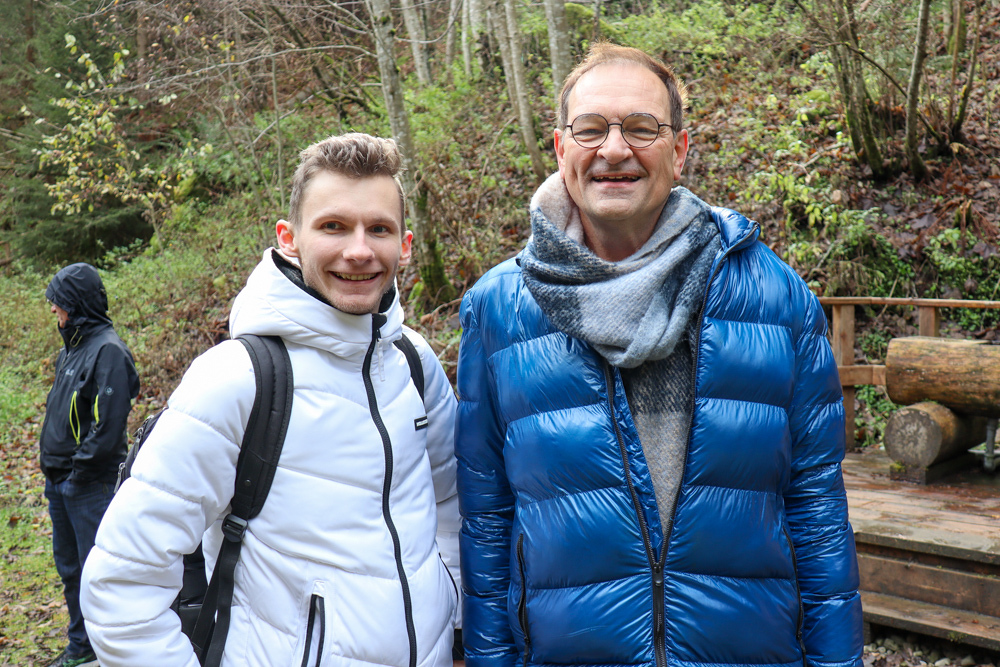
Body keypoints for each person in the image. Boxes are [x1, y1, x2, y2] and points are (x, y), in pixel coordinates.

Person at [455, 43, 863, 667]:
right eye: (591, 129)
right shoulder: (499, 310)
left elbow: (816, 508)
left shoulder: (775, 299)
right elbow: (488, 519)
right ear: (561, 149)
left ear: (679, 150)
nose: (615, 150)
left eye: (642, 128)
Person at [81, 133, 461, 667]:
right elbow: (123, 584)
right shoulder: (238, 379)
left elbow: (450, 506)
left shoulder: (414, 364)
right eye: (333, 226)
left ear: (405, 245)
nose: (358, 250)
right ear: (289, 239)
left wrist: (453, 619)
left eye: (379, 228)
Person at [40, 262, 140, 667]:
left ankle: (113, 651)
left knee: (99, 572)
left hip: (88, 486)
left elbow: (109, 425)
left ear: (77, 304)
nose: (54, 310)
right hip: (60, 482)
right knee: (71, 569)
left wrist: (79, 472)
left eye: (59, 302)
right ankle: (82, 646)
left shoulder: (108, 351)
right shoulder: (72, 347)